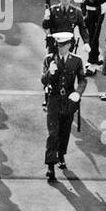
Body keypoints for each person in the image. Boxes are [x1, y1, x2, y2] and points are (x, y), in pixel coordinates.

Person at [42, 30, 85, 183]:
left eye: (64, 45)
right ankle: (50, 166)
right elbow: (43, 81)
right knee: (53, 133)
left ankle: (61, 155)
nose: (60, 48)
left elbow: (82, 80)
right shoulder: (49, 59)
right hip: (53, 100)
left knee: (65, 131)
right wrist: (50, 72)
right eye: (58, 45)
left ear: (69, 45)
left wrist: (78, 93)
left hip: (68, 99)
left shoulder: (76, 61)